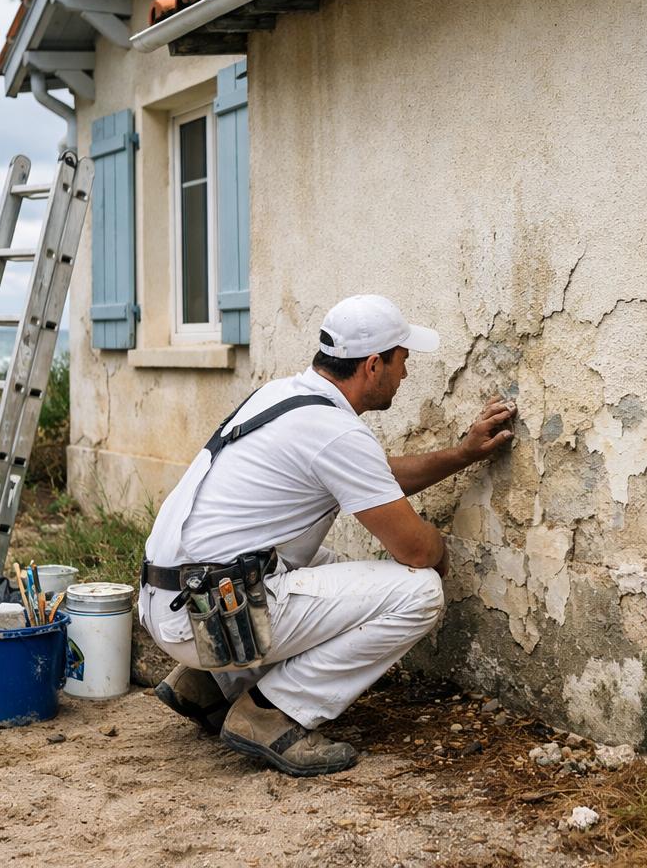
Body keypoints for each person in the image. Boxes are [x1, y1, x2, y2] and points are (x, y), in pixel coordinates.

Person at [138, 295, 516, 777]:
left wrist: (462, 454)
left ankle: (209, 686)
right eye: (402, 360)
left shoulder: (284, 397)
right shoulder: (335, 432)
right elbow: (417, 551)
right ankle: (270, 713)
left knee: (329, 566)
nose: (406, 373)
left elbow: (373, 476)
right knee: (418, 591)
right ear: (374, 364)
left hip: (175, 598)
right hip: (203, 619)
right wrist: (438, 550)